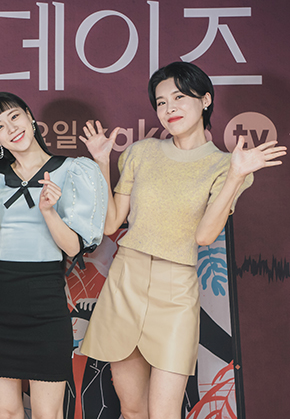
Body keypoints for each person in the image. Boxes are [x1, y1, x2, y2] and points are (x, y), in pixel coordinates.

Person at [79, 61, 286, 419]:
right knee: (131, 409)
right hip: (125, 280)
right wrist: (101, 161)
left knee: (165, 412)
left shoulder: (226, 166)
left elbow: (205, 235)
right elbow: (111, 223)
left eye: (178, 97)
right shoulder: (140, 152)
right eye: (160, 102)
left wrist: (236, 175)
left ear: (205, 100)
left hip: (175, 290)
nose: (168, 108)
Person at [0, 92, 108, 419]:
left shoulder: (73, 170)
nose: (11, 128)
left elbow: (73, 248)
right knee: (6, 412)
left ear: (29, 115)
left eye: (14, 117)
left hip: (46, 300)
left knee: (47, 415)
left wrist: (50, 212)